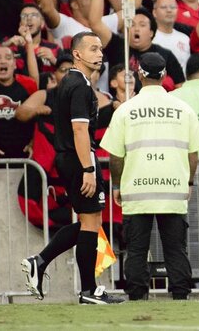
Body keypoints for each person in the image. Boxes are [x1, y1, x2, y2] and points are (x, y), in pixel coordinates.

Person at [20, 31, 124, 304]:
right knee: (90, 222)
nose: (99, 53)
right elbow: (79, 129)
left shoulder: (73, 83)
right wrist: (89, 169)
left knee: (90, 223)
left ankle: (41, 263)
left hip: (72, 158)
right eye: (92, 49)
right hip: (78, 159)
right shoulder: (78, 85)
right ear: (77, 54)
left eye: (101, 48)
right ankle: (88, 290)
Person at [100, 53, 199, 301]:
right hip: (172, 188)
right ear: (165, 75)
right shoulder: (183, 109)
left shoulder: (126, 110)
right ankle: (181, 293)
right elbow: (194, 153)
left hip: (137, 189)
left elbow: (115, 156)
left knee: (136, 249)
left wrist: (116, 185)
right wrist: (189, 181)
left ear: (139, 75)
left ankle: (137, 294)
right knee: (175, 248)